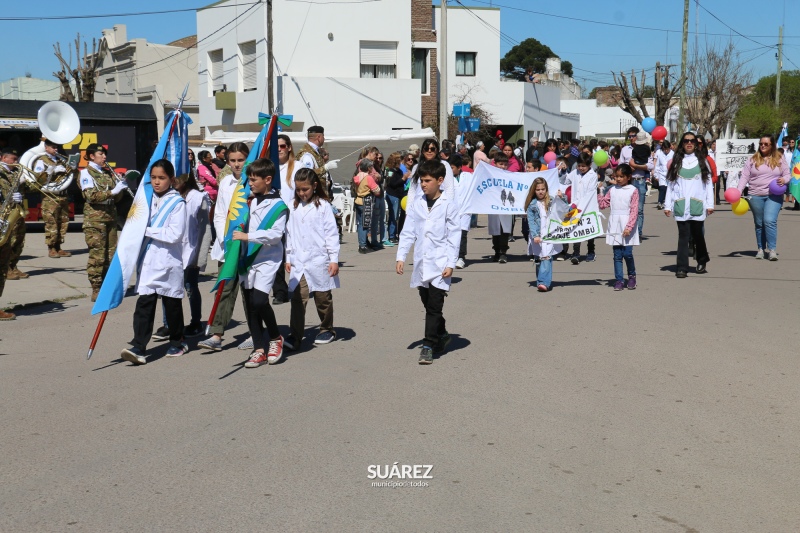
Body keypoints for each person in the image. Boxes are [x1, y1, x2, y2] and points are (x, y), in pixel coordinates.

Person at [120, 160, 187, 365]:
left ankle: (178, 341)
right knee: (144, 304)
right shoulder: (145, 199)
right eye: (154, 178)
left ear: (171, 180)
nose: (157, 182)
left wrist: (145, 230)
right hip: (148, 261)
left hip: (168, 261)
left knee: (172, 305)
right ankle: (139, 346)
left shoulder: (177, 203)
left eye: (162, 178)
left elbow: (175, 234)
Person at [395, 159, 460, 365]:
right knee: (427, 302)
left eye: (427, 180)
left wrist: (451, 263)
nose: (423, 184)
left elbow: (454, 236)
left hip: (440, 264)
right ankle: (441, 333)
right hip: (422, 263)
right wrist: (401, 256)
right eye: (421, 180)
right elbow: (407, 232)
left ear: (440, 181)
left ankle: (428, 345)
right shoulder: (416, 204)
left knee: (434, 306)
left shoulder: (448, 205)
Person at [234, 158, 289, 368]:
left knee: (259, 301)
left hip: (267, 259)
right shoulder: (249, 200)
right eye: (249, 179)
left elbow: (275, 235)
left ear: (268, 179)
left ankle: (275, 338)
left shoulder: (279, 205)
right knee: (250, 305)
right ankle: (258, 349)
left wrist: (247, 237)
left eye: (254, 179)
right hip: (247, 258)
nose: (250, 183)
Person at [198, 142, 252, 352]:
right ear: (227, 161)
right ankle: (217, 334)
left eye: (241, 160)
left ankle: (253, 332)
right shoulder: (226, 183)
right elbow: (220, 214)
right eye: (233, 161)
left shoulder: (253, 182)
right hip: (228, 245)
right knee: (224, 288)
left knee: (249, 290)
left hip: (249, 245)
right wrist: (224, 239)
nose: (237, 164)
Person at [285, 168, 340, 349]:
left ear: (314, 186)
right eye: (299, 190)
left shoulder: (323, 206)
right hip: (299, 260)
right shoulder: (293, 207)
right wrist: (288, 256)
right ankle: (295, 335)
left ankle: (326, 328)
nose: (301, 193)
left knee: (322, 297)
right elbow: (290, 233)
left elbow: (331, 234)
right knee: (298, 298)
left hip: (319, 259)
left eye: (305, 189)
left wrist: (333, 259)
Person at [78, 143, 130, 301]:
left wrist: (120, 188)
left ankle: (108, 286)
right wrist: (112, 191)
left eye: (105, 154)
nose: (104, 157)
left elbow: (116, 199)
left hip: (110, 216)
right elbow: (90, 196)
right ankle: (96, 288)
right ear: (92, 156)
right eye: (101, 154)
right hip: (95, 219)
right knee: (98, 256)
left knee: (111, 254)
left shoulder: (107, 173)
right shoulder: (86, 173)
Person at [663, 132, 714, 277]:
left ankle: (702, 259)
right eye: (686, 141)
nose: (689, 143)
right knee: (683, 236)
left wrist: (710, 204)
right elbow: (671, 185)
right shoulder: (676, 162)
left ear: (696, 144)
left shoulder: (703, 162)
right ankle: (682, 267)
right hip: (680, 205)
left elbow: (708, 184)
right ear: (682, 144)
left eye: (692, 141)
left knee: (698, 235)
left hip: (698, 204)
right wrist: (668, 205)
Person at [736, 134, 790, 261]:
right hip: (755, 195)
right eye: (761, 144)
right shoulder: (752, 159)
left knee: (769, 221)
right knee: (759, 223)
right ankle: (761, 248)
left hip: (774, 195)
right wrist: (738, 192)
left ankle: (772, 250)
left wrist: (784, 179)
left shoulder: (779, 158)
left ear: (772, 145)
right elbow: (744, 176)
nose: (763, 146)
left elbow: (787, 174)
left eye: (766, 144)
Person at [597, 163, 639, 290]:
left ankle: (632, 276)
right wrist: (599, 192)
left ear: (629, 177)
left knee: (627, 253)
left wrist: (629, 227)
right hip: (615, 224)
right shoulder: (612, 190)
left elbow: (634, 210)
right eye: (617, 176)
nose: (619, 179)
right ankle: (619, 280)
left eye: (622, 176)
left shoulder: (633, 190)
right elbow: (604, 204)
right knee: (617, 255)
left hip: (627, 225)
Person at [34, 139, 72, 258]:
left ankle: (59, 246)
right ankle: (51, 248)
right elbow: (38, 178)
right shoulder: (41, 161)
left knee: (63, 222)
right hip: (50, 196)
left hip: (62, 195)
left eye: (56, 147)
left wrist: (72, 167)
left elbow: (69, 175)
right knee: (52, 223)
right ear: (46, 148)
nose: (56, 149)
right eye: (53, 147)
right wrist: (51, 170)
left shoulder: (61, 160)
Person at [0, 150, 26, 320]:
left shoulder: (14, 174)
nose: (16, 161)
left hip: (5, 223)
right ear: (2, 158)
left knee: (2, 268)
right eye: (13, 158)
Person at [525, 177, 563, 292]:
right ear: (534, 191)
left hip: (550, 233)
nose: (541, 191)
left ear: (546, 189)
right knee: (539, 259)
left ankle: (543, 282)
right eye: (538, 189)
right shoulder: (532, 205)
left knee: (546, 256)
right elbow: (531, 221)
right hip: (537, 234)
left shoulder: (551, 200)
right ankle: (541, 280)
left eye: (543, 189)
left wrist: (562, 198)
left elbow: (564, 209)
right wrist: (535, 235)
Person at [562, 152, 598, 264]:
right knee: (575, 228)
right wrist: (563, 171)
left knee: (588, 230)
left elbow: (589, 193)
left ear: (590, 165)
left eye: (584, 166)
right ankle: (576, 253)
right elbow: (565, 181)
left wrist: (576, 203)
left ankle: (591, 252)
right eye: (579, 165)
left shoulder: (593, 176)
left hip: (588, 206)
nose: (581, 168)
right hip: (574, 206)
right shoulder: (575, 173)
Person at [619, 128, 653, 239]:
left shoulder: (646, 149)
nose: (632, 138)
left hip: (640, 181)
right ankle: (628, 230)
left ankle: (638, 233)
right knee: (626, 208)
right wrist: (629, 169)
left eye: (634, 135)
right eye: (630, 136)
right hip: (628, 182)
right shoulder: (625, 150)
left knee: (639, 209)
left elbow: (651, 165)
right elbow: (620, 167)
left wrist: (636, 166)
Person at [488, 152, 512, 263]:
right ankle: (496, 251)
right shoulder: (490, 175)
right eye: (500, 164)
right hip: (493, 206)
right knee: (495, 231)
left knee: (504, 231)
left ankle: (503, 252)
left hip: (505, 207)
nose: (502, 166)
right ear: (495, 163)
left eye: (504, 164)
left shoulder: (510, 176)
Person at [353, 158, 381, 254]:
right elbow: (376, 190)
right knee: (365, 225)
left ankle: (362, 243)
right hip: (366, 201)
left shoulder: (357, 176)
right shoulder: (368, 178)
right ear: (368, 168)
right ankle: (363, 245)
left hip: (358, 200)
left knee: (360, 224)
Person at [449, 154, 471, 269]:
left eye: (452, 167)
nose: (450, 170)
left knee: (462, 234)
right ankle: (452, 256)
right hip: (451, 211)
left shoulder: (468, 176)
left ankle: (461, 257)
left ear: (459, 167)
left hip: (465, 211)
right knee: (452, 235)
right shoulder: (446, 179)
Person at [384, 151, 405, 244]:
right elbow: (392, 183)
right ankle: (391, 236)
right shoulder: (390, 171)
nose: (401, 161)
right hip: (393, 195)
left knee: (396, 216)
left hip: (399, 195)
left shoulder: (398, 170)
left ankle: (394, 234)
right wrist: (403, 179)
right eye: (400, 159)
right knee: (393, 216)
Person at [654, 140, 673, 210]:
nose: (666, 151)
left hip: (670, 174)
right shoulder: (660, 154)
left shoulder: (673, 154)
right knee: (662, 188)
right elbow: (658, 165)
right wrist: (656, 175)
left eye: (667, 149)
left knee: (669, 189)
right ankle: (660, 202)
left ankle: (669, 203)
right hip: (662, 174)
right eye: (664, 149)